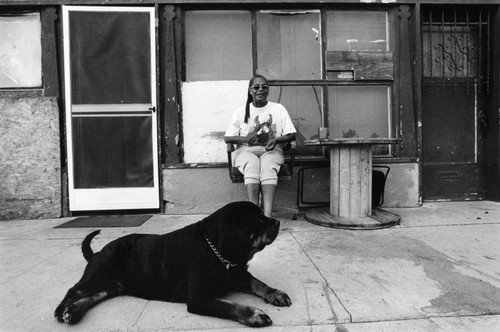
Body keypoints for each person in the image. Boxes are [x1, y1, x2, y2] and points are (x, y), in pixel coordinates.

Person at [224, 75, 296, 217]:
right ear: (250, 90)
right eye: (256, 87)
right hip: (246, 151)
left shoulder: (278, 109)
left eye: (264, 87)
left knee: (268, 164)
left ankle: (267, 219)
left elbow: (291, 135)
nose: (260, 90)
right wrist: (245, 139)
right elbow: (228, 138)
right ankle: (254, 217)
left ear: (268, 90)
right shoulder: (240, 112)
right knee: (252, 164)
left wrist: (276, 140)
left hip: (271, 150)